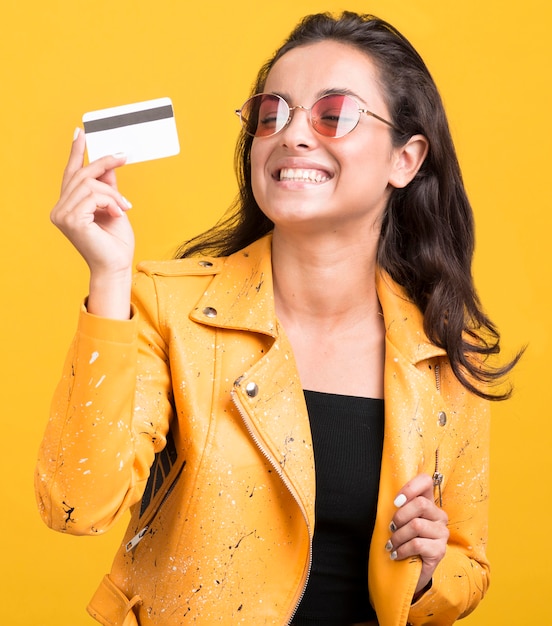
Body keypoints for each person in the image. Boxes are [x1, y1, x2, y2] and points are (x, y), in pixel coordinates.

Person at [36, 11, 520, 626]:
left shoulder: (444, 352)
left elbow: (466, 568)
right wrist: (108, 277)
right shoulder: (166, 309)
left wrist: (428, 570)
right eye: (272, 114)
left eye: (333, 113)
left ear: (406, 157)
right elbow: (76, 506)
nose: (291, 135)